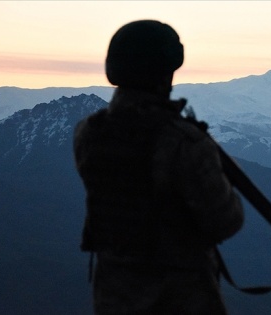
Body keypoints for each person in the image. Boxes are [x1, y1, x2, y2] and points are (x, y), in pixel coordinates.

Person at [73, 20, 244, 314]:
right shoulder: (184, 141)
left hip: (113, 298)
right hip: (182, 300)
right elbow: (225, 220)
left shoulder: (89, 133)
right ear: (167, 69)